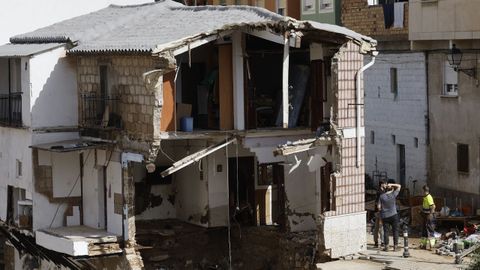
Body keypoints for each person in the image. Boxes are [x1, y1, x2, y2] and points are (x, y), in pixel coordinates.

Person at [378, 181, 401, 251]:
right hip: (394, 215)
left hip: (385, 216)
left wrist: (381, 214)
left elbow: (379, 207)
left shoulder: (381, 196)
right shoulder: (393, 194)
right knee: (395, 231)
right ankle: (395, 247)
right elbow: (399, 186)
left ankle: (386, 247)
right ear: (392, 189)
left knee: (386, 231)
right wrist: (392, 184)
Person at [373, 180, 385, 248]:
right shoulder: (381, 192)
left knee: (376, 227)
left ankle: (376, 242)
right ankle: (382, 242)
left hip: (377, 212)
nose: (386, 185)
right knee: (381, 227)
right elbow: (379, 203)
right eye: (385, 184)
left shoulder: (378, 191)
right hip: (380, 212)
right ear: (382, 184)